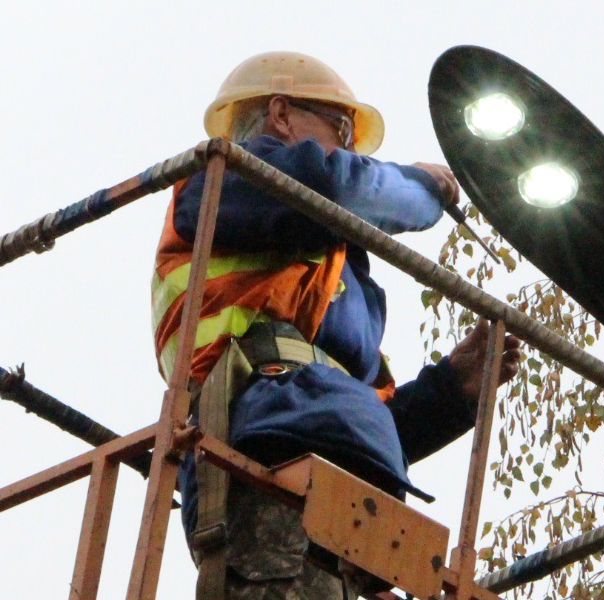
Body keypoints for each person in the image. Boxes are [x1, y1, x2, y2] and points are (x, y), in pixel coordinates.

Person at [151, 51, 521, 600]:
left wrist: (450, 393)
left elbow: (361, 419)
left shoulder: (331, 282)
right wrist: (422, 189)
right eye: (341, 129)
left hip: (349, 514)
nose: (349, 150)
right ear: (280, 114)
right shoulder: (223, 181)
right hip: (257, 458)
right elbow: (333, 184)